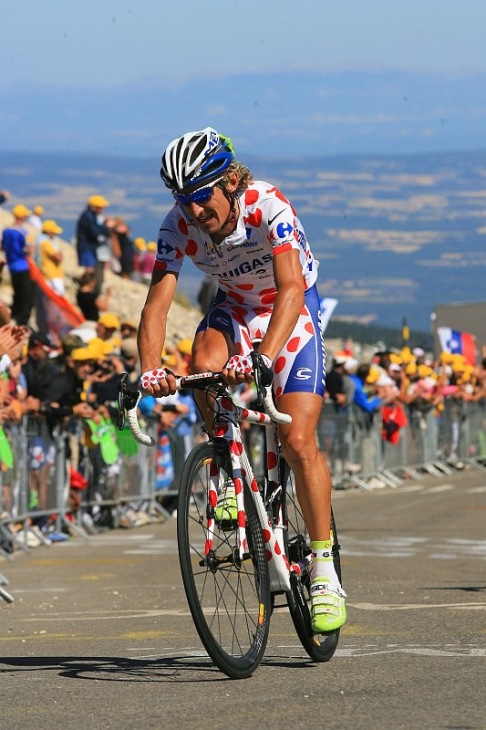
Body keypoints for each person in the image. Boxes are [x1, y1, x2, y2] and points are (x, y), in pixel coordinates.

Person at [137, 126, 346, 633]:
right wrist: (148, 369)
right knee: (202, 368)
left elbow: (292, 288)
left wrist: (262, 357)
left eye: (200, 196)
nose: (193, 210)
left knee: (297, 440)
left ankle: (322, 568)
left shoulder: (267, 206)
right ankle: (224, 464)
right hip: (235, 308)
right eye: (181, 199)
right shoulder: (177, 227)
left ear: (229, 180)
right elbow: (157, 304)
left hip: (290, 314)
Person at [1, 204, 34, 325]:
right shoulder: (23, 231)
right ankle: (23, 320)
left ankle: (14, 315)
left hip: (11, 265)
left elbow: (2, 247)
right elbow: (28, 250)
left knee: (17, 292)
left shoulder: (6, 230)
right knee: (26, 295)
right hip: (22, 265)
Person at [75, 195, 113, 293]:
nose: (103, 210)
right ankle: (85, 289)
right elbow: (95, 232)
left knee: (91, 269)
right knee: (90, 269)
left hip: (90, 248)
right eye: (101, 207)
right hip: (86, 248)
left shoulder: (90, 216)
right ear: (95, 207)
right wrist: (106, 227)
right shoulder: (87, 217)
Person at [38, 219, 65, 296]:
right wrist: (59, 252)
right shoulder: (46, 243)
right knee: (57, 297)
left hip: (47, 274)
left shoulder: (40, 240)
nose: (56, 234)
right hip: (52, 275)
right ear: (49, 232)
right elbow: (58, 257)